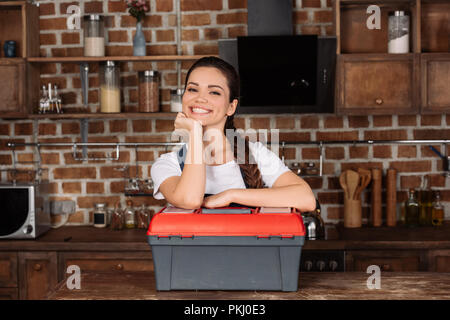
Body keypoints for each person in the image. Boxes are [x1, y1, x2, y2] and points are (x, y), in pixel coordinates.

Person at [151, 56, 316, 212]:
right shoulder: (168, 164)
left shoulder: (255, 154)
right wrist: (195, 134)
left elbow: (306, 199)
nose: (200, 98)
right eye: (193, 89)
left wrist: (231, 195)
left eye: (214, 92)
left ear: (231, 106)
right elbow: (190, 200)